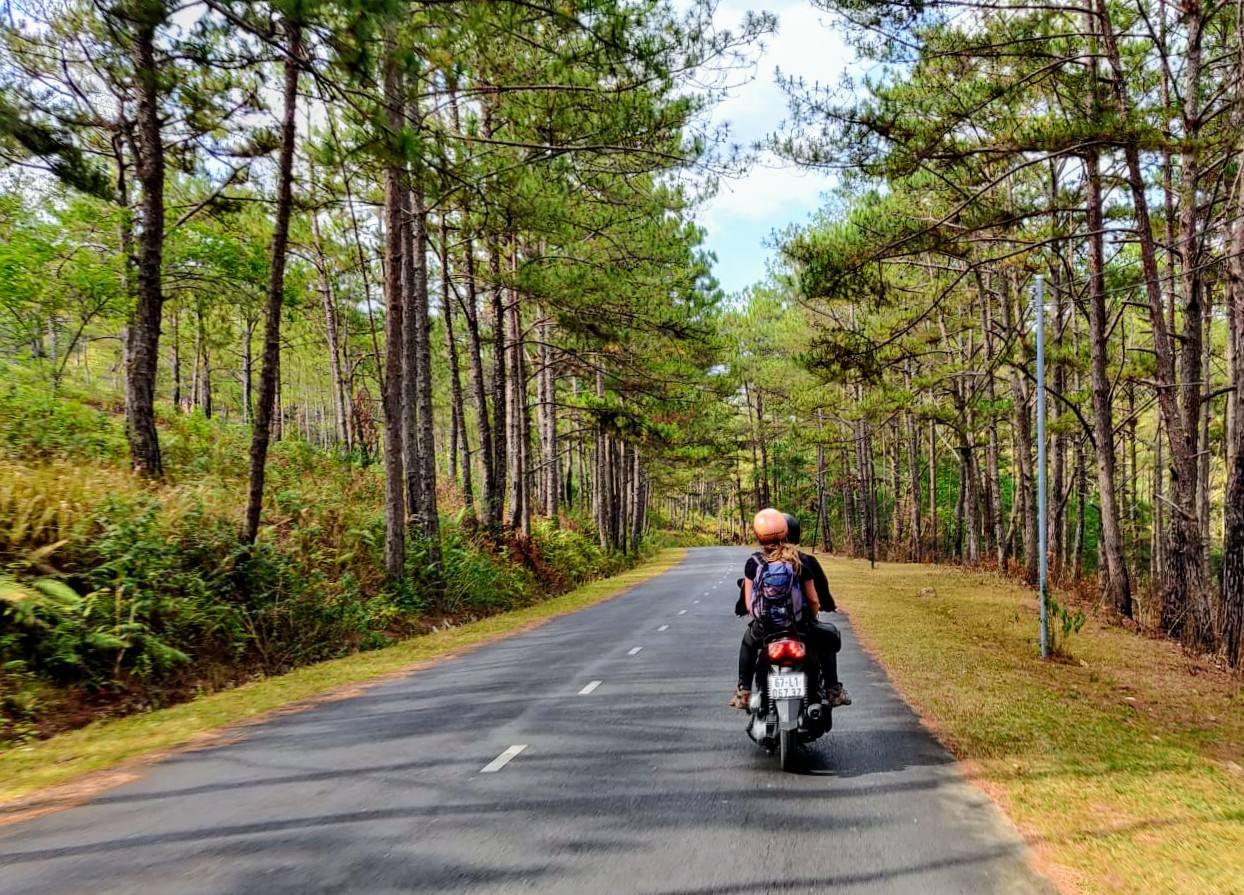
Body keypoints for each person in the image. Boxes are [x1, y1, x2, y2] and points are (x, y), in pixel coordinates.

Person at [728, 508, 851, 710]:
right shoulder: (801, 561)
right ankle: (833, 690)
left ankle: (743, 691)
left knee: (748, 643)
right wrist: (811, 617)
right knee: (829, 638)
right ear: (786, 533)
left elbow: (749, 603)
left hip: (766, 630)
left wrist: (757, 614)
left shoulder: (755, 562)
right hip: (801, 628)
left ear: (759, 536)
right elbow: (814, 599)